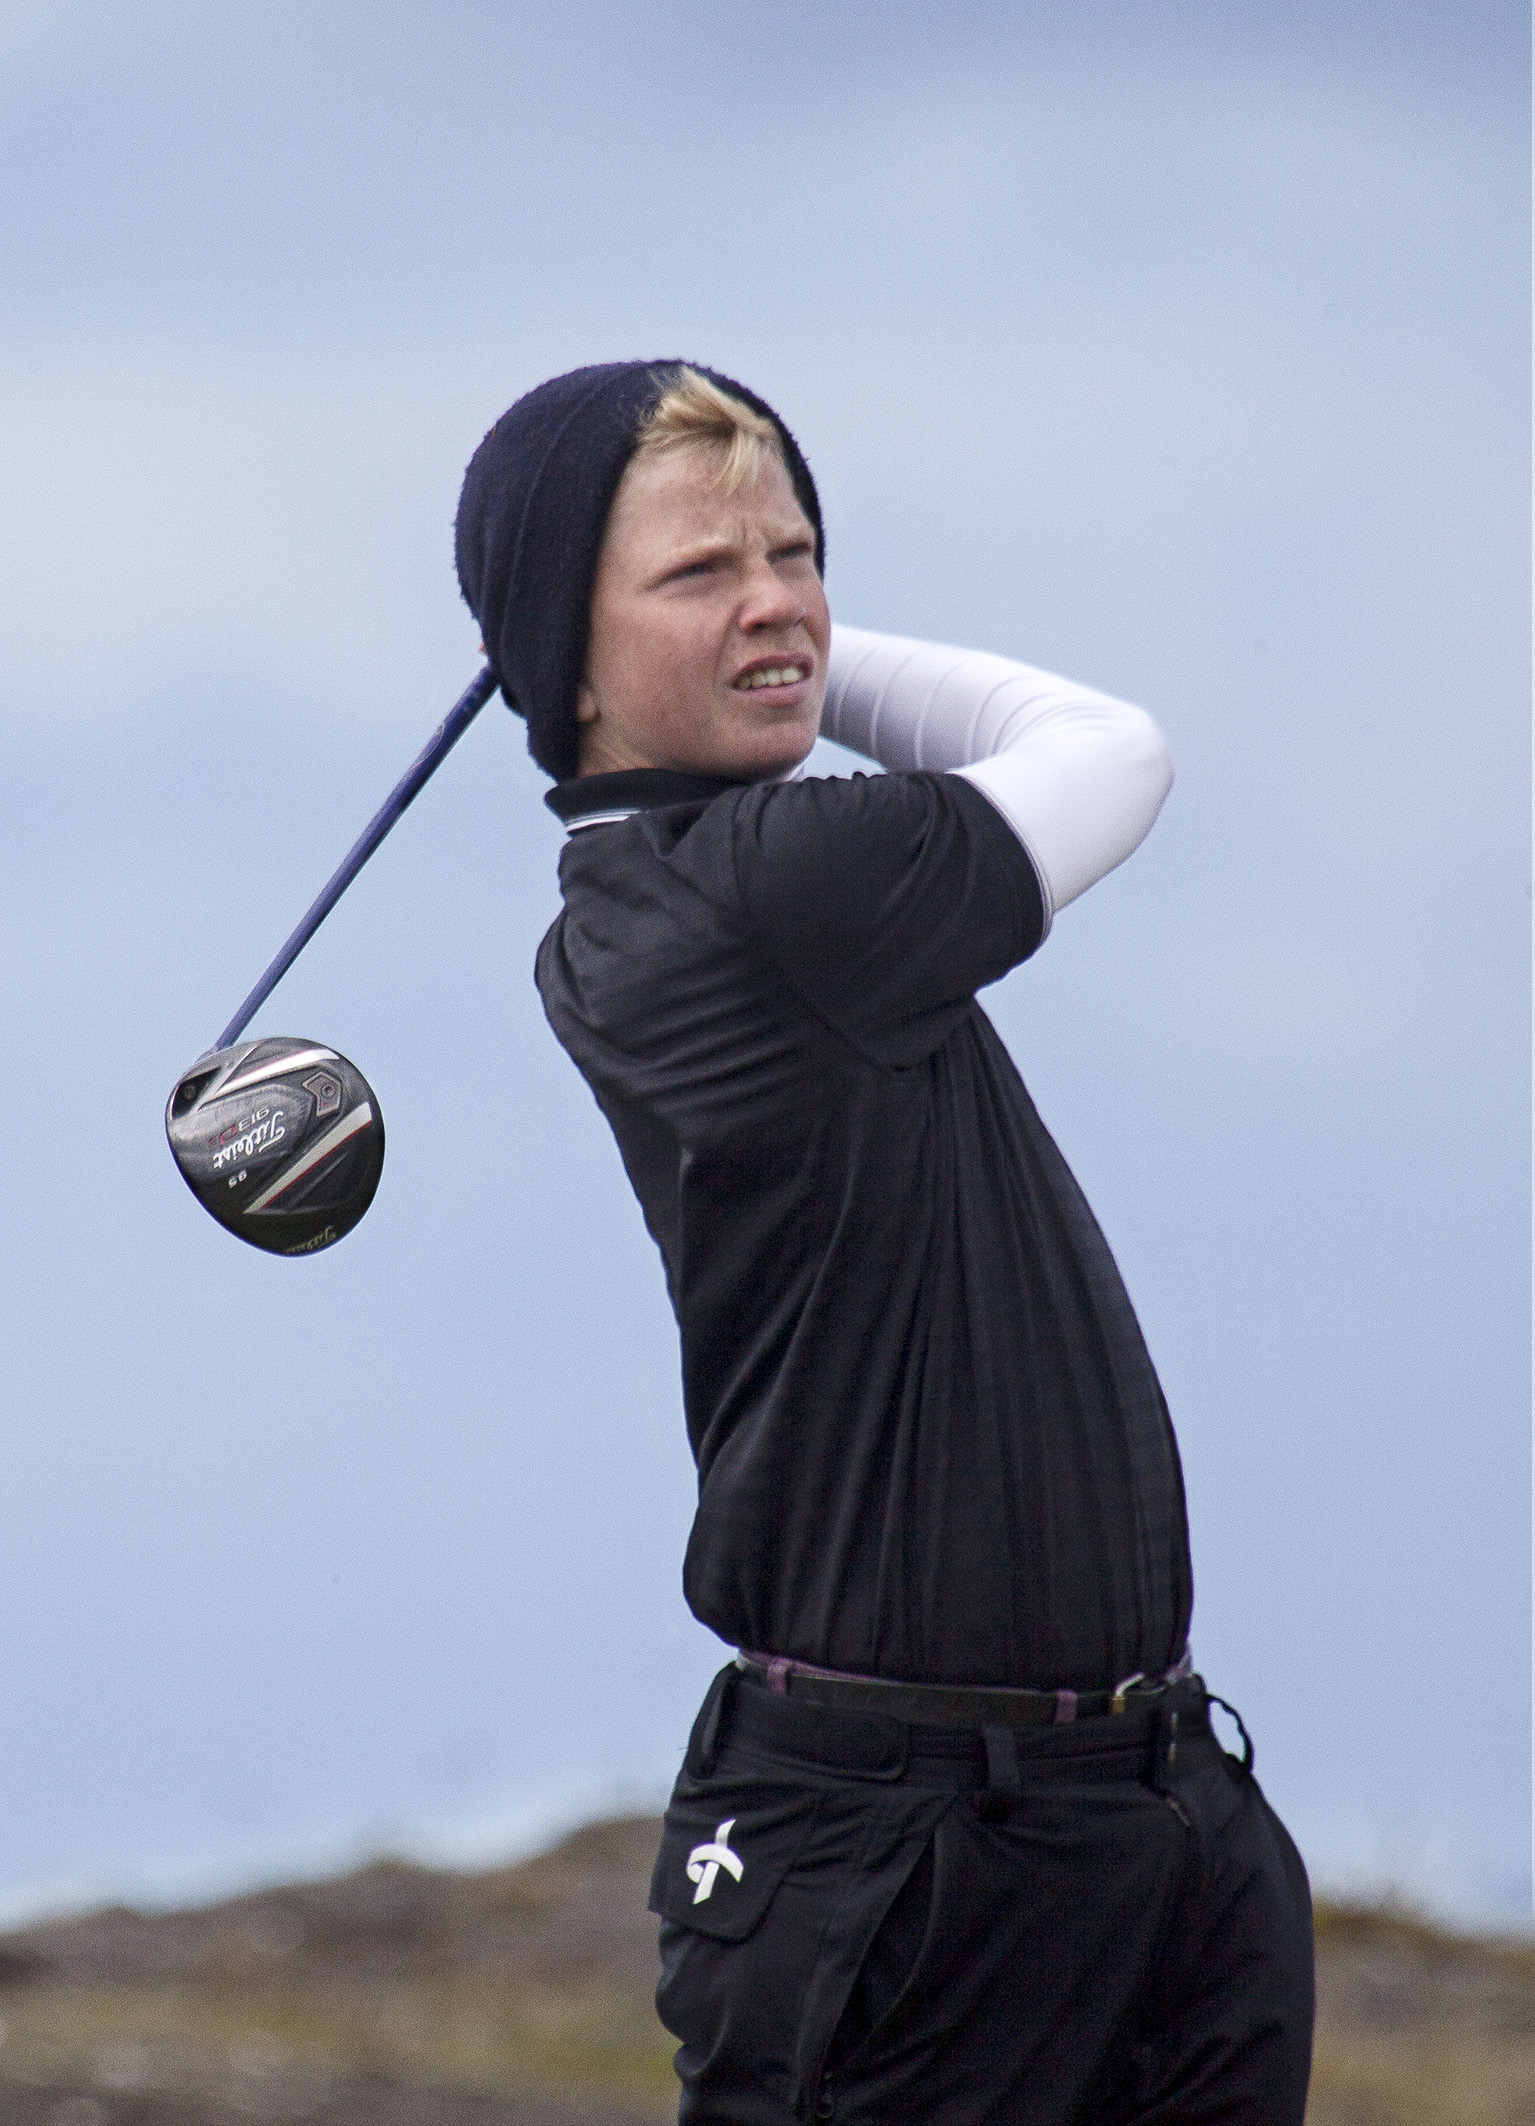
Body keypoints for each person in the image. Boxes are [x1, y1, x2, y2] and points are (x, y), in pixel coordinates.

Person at [454, 362, 1314, 2125]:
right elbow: (1107, 749)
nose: (777, 599)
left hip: (1129, 1807)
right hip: (917, 1859)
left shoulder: (686, 885)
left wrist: (746, 644)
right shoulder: (770, 887)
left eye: (799, 555)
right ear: (565, 661)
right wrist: (808, 666)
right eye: (700, 572)